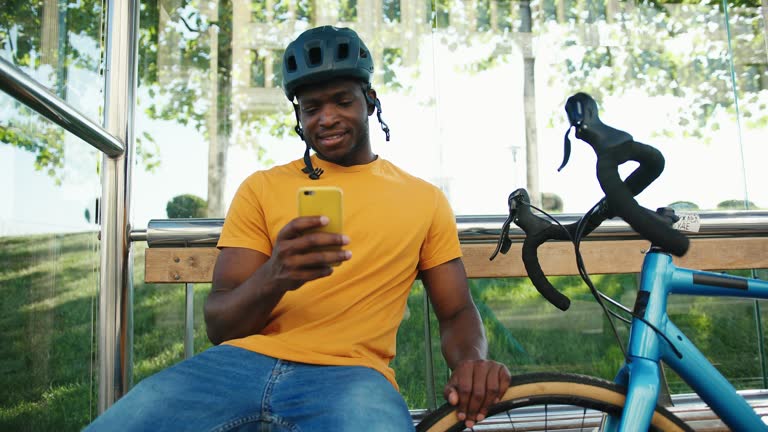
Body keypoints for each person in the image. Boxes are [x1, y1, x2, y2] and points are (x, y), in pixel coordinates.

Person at [85, 25, 509, 432]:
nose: (326, 118)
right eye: (311, 108)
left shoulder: (423, 199)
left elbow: (455, 311)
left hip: (353, 376)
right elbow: (219, 325)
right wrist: (276, 274)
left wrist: (470, 361)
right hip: (239, 365)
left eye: (342, 101)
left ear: (371, 101)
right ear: (298, 117)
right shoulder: (263, 188)